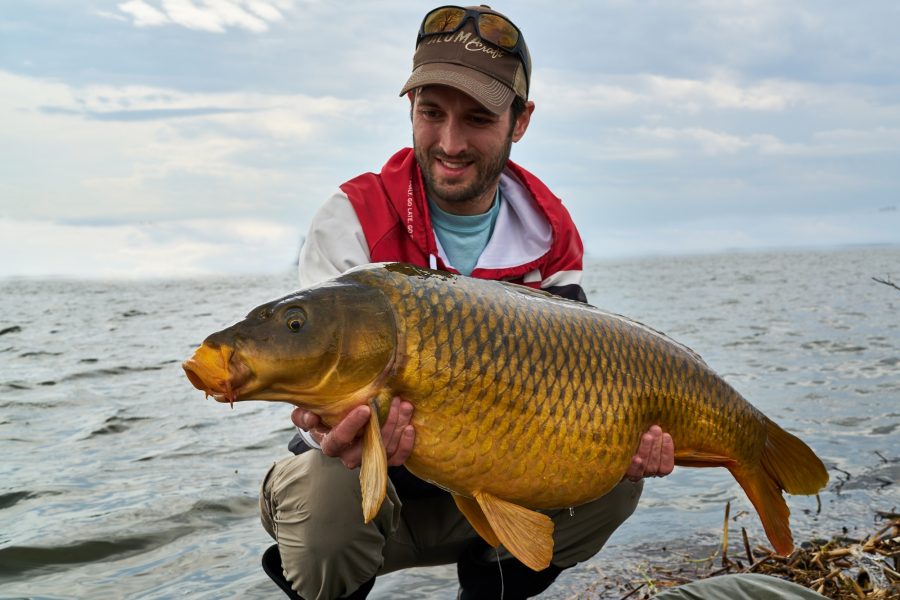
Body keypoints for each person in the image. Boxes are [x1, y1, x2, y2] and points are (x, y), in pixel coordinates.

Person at [258, 6, 825, 600]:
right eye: (432, 113)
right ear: (411, 110)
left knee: (615, 484)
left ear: (520, 121)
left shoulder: (549, 233)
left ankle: (491, 591)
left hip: (493, 469)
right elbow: (312, 374)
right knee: (324, 502)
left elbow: (576, 384)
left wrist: (618, 444)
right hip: (369, 495)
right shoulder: (351, 218)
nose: (450, 142)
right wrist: (330, 430)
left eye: (477, 118)